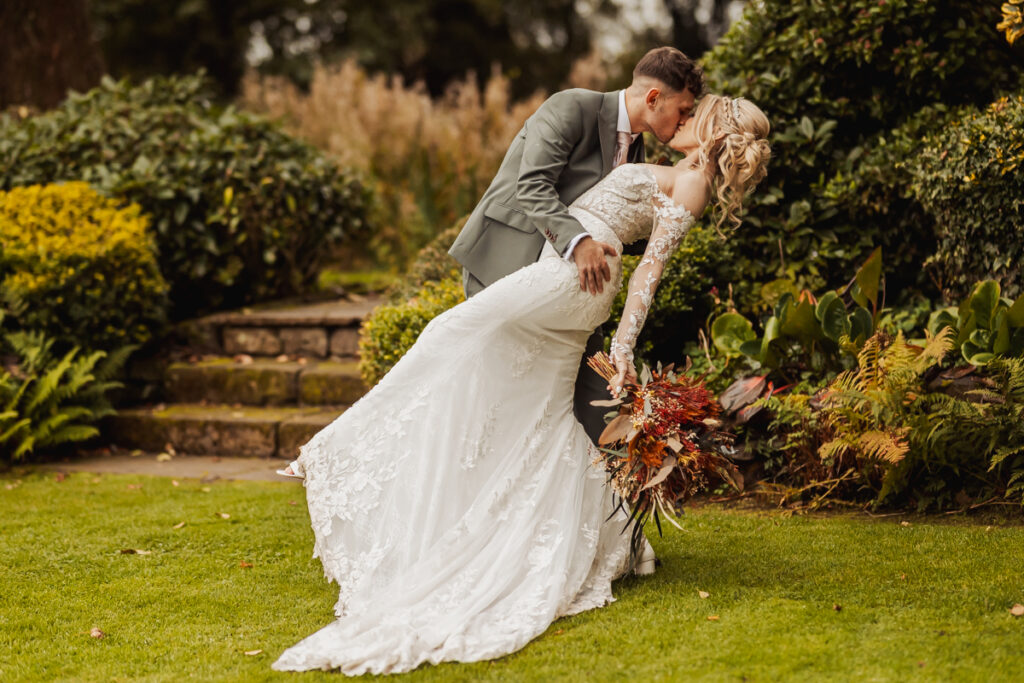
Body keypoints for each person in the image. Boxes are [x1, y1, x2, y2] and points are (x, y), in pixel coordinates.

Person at [270, 92, 771, 675]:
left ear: (712, 130)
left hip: (571, 282)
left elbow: (649, 277)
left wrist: (622, 347)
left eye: (693, 117)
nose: (681, 122)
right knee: (540, 413)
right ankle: (594, 539)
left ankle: (339, 444)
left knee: (448, 331)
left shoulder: (692, 185)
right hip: (567, 273)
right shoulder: (681, 171)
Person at [450, 46, 704, 446]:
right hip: (508, 263)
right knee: (497, 397)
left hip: (574, 289)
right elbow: (532, 186)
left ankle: (615, 488)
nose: (685, 119)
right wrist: (579, 242)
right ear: (653, 98)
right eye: (683, 109)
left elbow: (610, 220)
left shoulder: (637, 150)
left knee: (595, 396)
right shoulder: (572, 107)